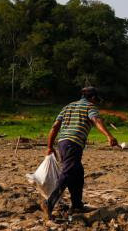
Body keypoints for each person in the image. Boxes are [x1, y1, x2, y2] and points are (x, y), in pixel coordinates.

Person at [42, 86, 119, 219]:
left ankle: (77, 205)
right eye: (96, 100)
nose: (96, 102)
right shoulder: (90, 107)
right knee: (68, 172)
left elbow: (55, 127)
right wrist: (109, 136)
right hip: (74, 143)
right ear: (93, 98)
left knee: (77, 172)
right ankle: (49, 202)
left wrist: (50, 146)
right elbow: (96, 120)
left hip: (62, 143)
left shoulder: (67, 107)